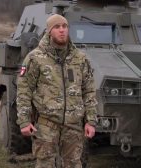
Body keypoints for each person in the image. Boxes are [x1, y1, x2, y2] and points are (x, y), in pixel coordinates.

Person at [16, 14, 98, 168]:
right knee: (45, 164)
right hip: (47, 124)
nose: (62, 30)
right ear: (49, 31)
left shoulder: (80, 59)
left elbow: (89, 91)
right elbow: (24, 90)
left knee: (74, 164)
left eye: (64, 26)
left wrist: (91, 121)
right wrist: (24, 121)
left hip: (73, 126)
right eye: (57, 27)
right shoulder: (35, 58)